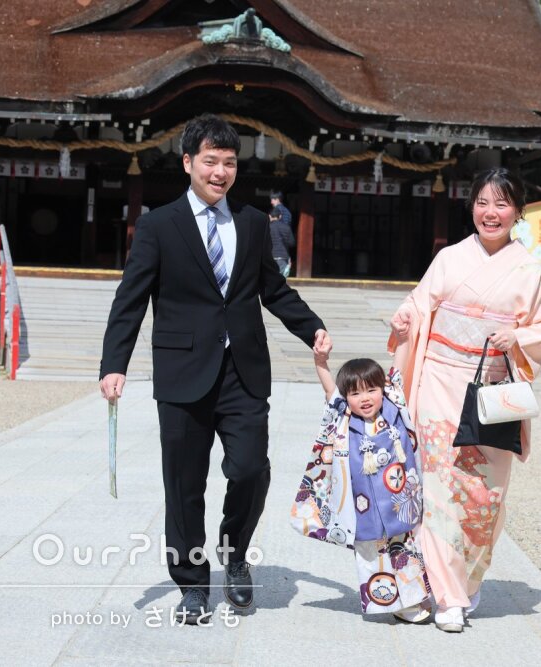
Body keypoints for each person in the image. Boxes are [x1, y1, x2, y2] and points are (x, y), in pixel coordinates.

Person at [99, 113, 331, 626]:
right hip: (182, 372)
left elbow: (272, 288)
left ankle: (235, 554)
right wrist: (114, 364)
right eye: (210, 161)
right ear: (188, 163)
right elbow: (130, 299)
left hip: (242, 369)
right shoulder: (159, 225)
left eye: (229, 162)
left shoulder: (251, 222)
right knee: (183, 484)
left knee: (251, 469)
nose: (220, 172)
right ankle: (191, 584)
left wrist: (310, 326)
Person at [388, 168, 541, 632]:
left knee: (484, 494)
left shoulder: (530, 269)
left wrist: (519, 336)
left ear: (518, 212)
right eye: (483, 203)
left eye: (502, 204)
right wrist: (406, 319)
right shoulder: (449, 258)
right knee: (436, 487)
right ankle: (441, 595)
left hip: (491, 390)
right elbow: (421, 304)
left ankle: (464, 581)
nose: (491, 213)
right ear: (472, 208)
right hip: (438, 381)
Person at [291, 351, 432, 622]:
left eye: (371, 390)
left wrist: (401, 338)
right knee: (371, 552)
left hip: (396, 499)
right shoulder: (343, 418)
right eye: (355, 394)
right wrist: (320, 362)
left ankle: (412, 601)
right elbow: (331, 390)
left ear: (383, 389)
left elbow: (397, 373)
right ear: (346, 398)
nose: (365, 398)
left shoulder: (394, 407)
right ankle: (387, 602)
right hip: (363, 503)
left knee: (405, 549)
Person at [269, 191, 295, 277]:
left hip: (275, 247)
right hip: (283, 249)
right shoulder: (287, 211)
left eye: (273, 199)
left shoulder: (278, 211)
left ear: (278, 200)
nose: (271, 202)